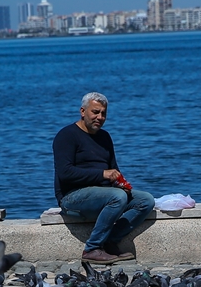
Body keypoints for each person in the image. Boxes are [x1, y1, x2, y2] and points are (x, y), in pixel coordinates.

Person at [53, 92, 155, 263]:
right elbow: (65, 173)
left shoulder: (105, 137)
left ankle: (110, 241)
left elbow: (114, 170)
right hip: (72, 197)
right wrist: (102, 174)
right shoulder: (66, 136)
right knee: (117, 196)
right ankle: (92, 248)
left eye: (103, 113)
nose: (100, 117)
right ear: (83, 111)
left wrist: (121, 183)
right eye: (95, 112)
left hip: (105, 194)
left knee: (146, 200)